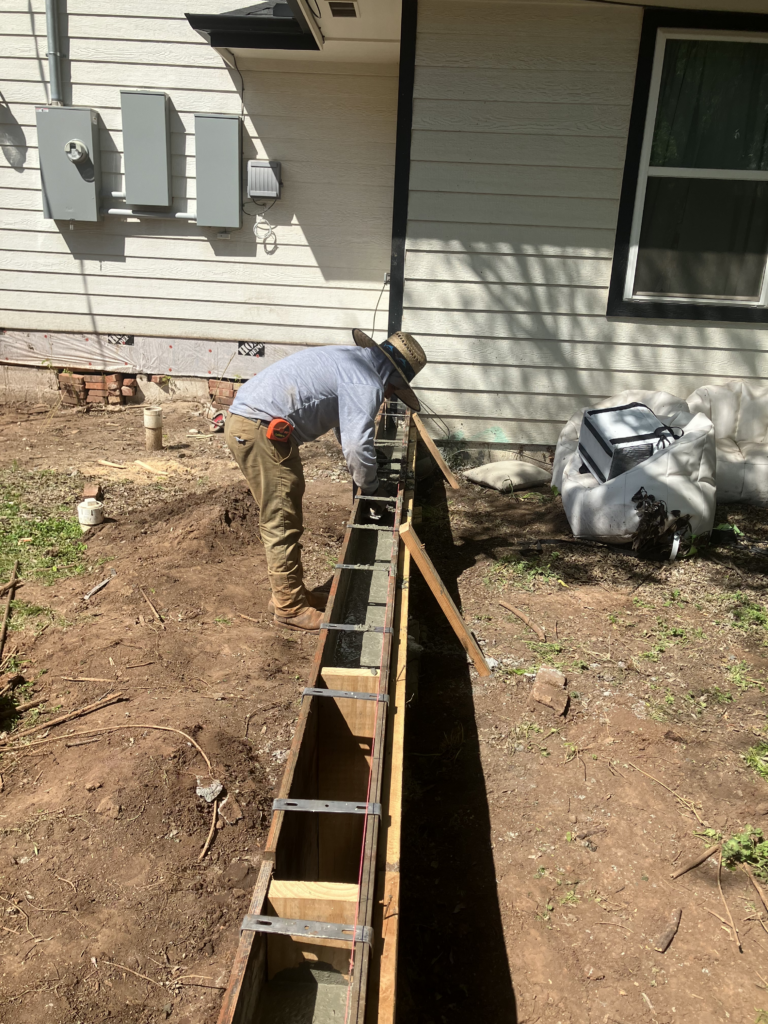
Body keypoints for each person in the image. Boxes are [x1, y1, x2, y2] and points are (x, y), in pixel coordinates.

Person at [225, 329, 427, 633]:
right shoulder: (367, 381)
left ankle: (289, 594)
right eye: (393, 391)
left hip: (251, 421)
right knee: (282, 518)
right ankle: (290, 608)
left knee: (283, 514)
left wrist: (367, 466)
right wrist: (372, 489)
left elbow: (346, 428)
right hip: (261, 430)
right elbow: (357, 448)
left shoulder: (351, 360)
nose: (388, 396)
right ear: (394, 378)